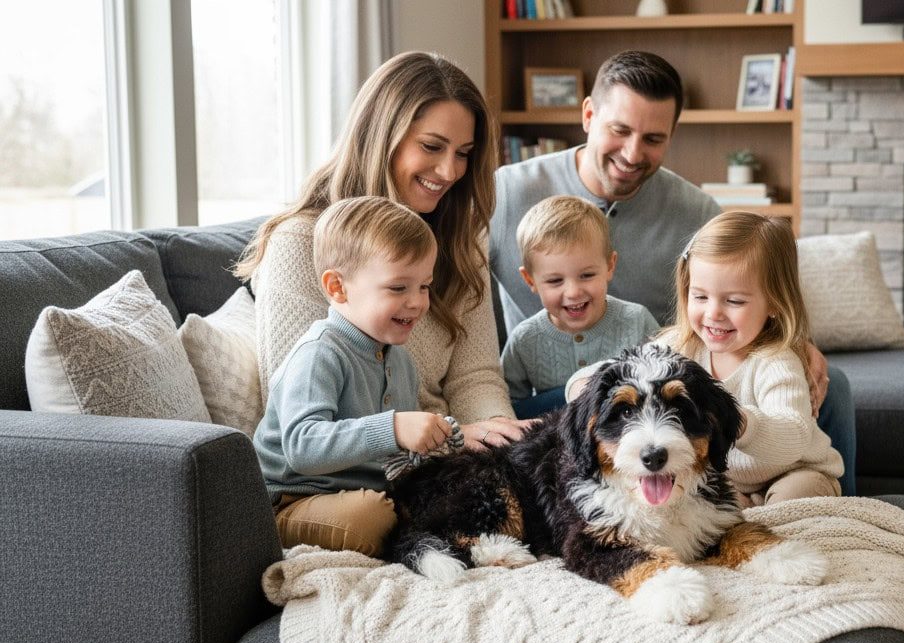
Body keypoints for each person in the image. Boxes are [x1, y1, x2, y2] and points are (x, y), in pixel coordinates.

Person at [488, 49, 858, 494]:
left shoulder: (696, 211)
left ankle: (840, 508)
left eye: (652, 139)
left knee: (829, 383)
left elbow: (753, 283)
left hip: (662, 387)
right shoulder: (504, 192)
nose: (632, 153)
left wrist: (797, 343)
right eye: (620, 130)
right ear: (588, 115)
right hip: (554, 394)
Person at [235, 50, 528, 452]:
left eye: (463, 153)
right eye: (431, 146)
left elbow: (474, 377)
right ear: (381, 137)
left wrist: (500, 436)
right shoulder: (300, 243)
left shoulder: (460, 239)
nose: (450, 172)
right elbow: (300, 417)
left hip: (445, 456)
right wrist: (453, 440)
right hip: (364, 470)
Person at [253, 197, 460, 555]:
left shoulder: (402, 362)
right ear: (337, 287)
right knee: (372, 517)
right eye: (398, 288)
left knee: (453, 492)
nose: (417, 302)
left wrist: (434, 445)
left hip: (362, 494)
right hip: (292, 501)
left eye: (424, 286)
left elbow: (396, 460)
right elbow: (302, 446)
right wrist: (393, 428)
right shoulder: (319, 353)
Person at [663, 211, 842, 505]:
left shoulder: (775, 361)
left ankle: (768, 517)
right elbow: (617, 371)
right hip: (726, 481)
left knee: (795, 497)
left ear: (774, 303)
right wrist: (588, 383)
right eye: (700, 297)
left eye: (734, 301)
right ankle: (749, 516)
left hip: (794, 472)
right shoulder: (678, 347)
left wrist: (739, 421)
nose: (713, 313)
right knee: (699, 501)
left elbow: (793, 437)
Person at [501, 195, 659, 418]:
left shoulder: (637, 321)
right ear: (530, 280)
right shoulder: (524, 339)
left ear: (610, 266)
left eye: (587, 275)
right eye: (555, 281)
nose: (573, 292)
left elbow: (664, 384)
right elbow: (510, 408)